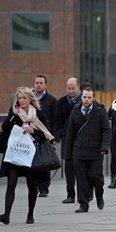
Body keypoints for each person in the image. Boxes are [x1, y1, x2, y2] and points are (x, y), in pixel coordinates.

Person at [0, 87, 56, 224]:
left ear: (30, 99)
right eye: (19, 98)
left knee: (32, 185)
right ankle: (6, 215)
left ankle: (30, 215)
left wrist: (33, 130)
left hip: (31, 155)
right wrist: (12, 117)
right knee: (11, 184)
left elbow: (45, 134)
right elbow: (5, 129)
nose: (21, 101)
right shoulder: (14, 112)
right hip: (15, 154)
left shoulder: (38, 114)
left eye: (24, 98)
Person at [65, 87, 110, 213]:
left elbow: (106, 130)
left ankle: (99, 196)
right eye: (84, 97)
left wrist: (105, 147)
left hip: (96, 151)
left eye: (89, 97)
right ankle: (83, 204)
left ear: (93, 98)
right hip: (79, 151)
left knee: (97, 177)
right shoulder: (75, 111)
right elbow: (70, 133)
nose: (86, 99)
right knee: (81, 179)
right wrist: (68, 153)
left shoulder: (100, 111)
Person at [54, 77, 82, 204]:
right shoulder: (61, 102)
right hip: (67, 140)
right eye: (69, 88)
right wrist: (58, 135)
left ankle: (84, 194)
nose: (71, 91)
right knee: (69, 169)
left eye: (73, 88)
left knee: (82, 169)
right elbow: (57, 120)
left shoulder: (85, 101)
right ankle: (70, 195)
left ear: (78, 87)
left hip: (82, 140)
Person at [33, 75, 57, 198]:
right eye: (36, 82)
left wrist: (53, 137)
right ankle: (34, 186)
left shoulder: (52, 100)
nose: (38, 85)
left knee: (44, 162)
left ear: (45, 84)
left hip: (45, 136)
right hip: (30, 135)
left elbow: (55, 119)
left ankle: (44, 188)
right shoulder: (28, 98)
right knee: (32, 162)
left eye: (41, 82)